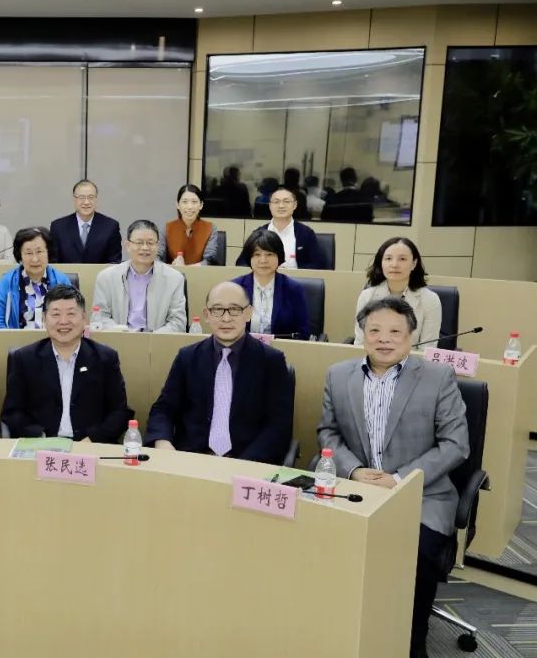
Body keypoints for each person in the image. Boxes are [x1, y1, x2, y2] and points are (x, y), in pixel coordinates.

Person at [318, 297, 468, 658]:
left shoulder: (437, 377)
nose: (384, 339)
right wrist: (353, 470)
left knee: (413, 554)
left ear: (411, 336)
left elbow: (456, 444)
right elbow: (328, 433)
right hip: (355, 488)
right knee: (323, 545)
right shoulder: (338, 375)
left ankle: (412, 640)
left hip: (421, 495)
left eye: (394, 332)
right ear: (362, 334)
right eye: (374, 330)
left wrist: (400, 479)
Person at [144, 281, 292, 464]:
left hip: (246, 461)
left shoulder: (271, 361)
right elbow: (164, 409)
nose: (226, 318)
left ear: (248, 313)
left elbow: (278, 425)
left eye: (235, 309)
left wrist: (243, 463)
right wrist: (163, 442)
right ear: (206, 315)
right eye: (217, 310)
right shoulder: (188, 357)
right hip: (191, 459)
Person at [0, 285, 132, 442]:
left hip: (90, 445)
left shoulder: (105, 358)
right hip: (41, 444)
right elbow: (12, 412)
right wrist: (39, 436)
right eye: (56, 314)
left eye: (71, 314)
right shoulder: (24, 358)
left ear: (84, 318)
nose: (63, 321)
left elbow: (119, 412)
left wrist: (93, 438)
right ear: (44, 319)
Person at [92, 220, 187, 333]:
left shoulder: (174, 279)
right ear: (127, 245)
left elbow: (178, 322)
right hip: (118, 339)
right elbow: (100, 317)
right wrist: (123, 333)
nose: (145, 247)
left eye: (150, 243)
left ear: (157, 246)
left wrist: (151, 338)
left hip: (157, 340)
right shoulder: (106, 277)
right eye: (139, 242)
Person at [354, 237, 441, 348]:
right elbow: (360, 343)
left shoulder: (430, 300)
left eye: (402, 259)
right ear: (381, 263)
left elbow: (427, 348)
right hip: (373, 358)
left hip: (411, 358)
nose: (394, 264)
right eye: (388, 258)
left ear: (414, 264)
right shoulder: (367, 296)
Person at [231, 230, 311, 340]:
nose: (263, 260)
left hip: (282, 349)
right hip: (242, 348)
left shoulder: (294, 289)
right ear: (249, 258)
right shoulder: (234, 288)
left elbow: (303, 332)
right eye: (257, 254)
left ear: (279, 256)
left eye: (269, 254)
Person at [0, 227, 72, 329]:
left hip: (53, 338)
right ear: (20, 256)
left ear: (48, 253)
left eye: (39, 251)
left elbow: (72, 317)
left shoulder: (62, 281)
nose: (35, 259)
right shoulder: (7, 282)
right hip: (17, 338)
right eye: (28, 253)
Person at [236, 186, 327, 269]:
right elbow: (241, 263)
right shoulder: (259, 233)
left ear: (294, 205)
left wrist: (292, 271)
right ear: (270, 206)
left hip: (295, 280)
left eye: (286, 201)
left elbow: (319, 264)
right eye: (276, 202)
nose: (281, 206)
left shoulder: (305, 233)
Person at [48, 179, 122, 264]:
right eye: (81, 197)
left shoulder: (110, 226)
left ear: (96, 199)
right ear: (74, 199)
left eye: (91, 197)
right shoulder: (58, 227)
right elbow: (53, 263)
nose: (86, 202)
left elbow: (114, 262)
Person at [163, 184, 222, 266]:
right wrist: (172, 267)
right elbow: (157, 258)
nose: (189, 207)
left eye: (194, 202)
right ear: (177, 205)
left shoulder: (210, 228)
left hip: (200, 272)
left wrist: (188, 269)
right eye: (184, 202)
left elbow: (209, 259)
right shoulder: (167, 228)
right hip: (172, 272)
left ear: (201, 205)